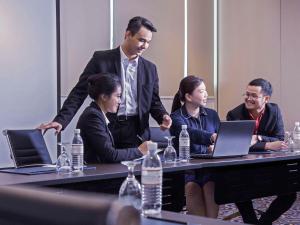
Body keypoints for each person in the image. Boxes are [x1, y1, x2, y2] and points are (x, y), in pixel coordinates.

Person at [39, 16, 171, 148]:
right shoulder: (101, 59)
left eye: (148, 42)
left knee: (134, 167)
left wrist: (163, 116)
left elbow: (153, 101)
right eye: (141, 40)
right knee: (108, 166)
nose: (145, 46)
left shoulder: (150, 68)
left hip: (136, 131)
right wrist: (61, 120)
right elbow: (79, 92)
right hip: (107, 127)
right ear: (128, 34)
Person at [226, 78, 296, 225]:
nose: (248, 98)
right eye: (247, 94)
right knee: (238, 191)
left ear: (266, 98)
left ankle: (264, 222)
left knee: (290, 194)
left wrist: (258, 138)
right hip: (245, 165)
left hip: (271, 164)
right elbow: (237, 144)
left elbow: (279, 138)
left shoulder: (274, 110)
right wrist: (267, 145)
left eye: (253, 96)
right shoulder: (234, 114)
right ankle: (250, 221)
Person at [170, 76, 219, 218]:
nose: (206, 94)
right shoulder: (176, 117)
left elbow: (220, 139)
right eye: (201, 91)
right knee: (192, 187)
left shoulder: (212, 114)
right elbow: (191, 133)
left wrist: (215, 145)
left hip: (210, 168)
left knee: (212, 186)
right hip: (187, 169)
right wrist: (211, 137)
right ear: (188, 96)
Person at [77, 73, 150, 163]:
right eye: (118, 96)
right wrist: (139, 151)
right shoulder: (93, 116)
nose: (120, 101)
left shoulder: (98, 114)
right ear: (104, 97)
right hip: (96, 174)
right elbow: (111, 155)